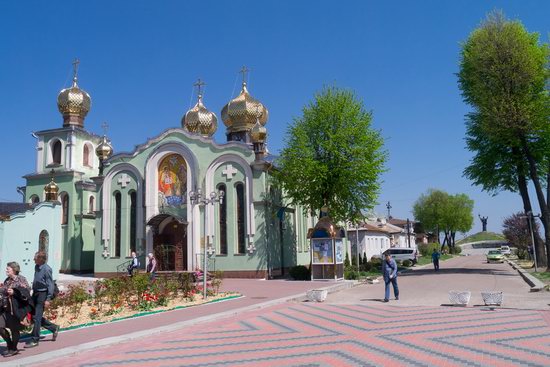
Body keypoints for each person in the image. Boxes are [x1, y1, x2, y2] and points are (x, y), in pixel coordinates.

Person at [25, 251, 59, 349]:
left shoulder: (47, 269)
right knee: (32, 315)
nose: (33, 259)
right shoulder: (36, 267)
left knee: (37, 317)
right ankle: (53, 328)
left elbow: (50, 284)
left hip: (42, 294)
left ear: (40, 259)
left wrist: (48, 299)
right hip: (35, 293)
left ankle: (35, 339)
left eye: (35, 258)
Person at [0, 262, 32, 357]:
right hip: (5, 308)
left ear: (14, 270)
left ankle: (14, 348)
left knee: (14, 329)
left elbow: (26, 293)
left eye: (8, 269)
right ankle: (9, 344)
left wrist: (14, 292)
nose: (6, 270)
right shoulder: (7, 280)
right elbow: (4, 291)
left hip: (16, 309)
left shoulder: (21, 279)